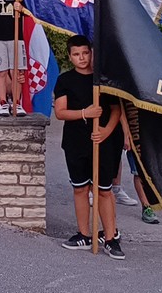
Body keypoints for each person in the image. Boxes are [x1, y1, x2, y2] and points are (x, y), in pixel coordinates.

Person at [53, 35, 127, 260]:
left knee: (103, 190)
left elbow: (116, 110)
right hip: (75, 142)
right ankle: (84, 234)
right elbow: (60, 112)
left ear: (91, 53)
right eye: (76, 54)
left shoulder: (102, 80)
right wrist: (85, 113)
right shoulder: (65, 80)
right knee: (80, 188)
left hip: (102, 142)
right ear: (70, 56)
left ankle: (111, 238)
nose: (82, 58)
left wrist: (106, 131)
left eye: (85, 53)